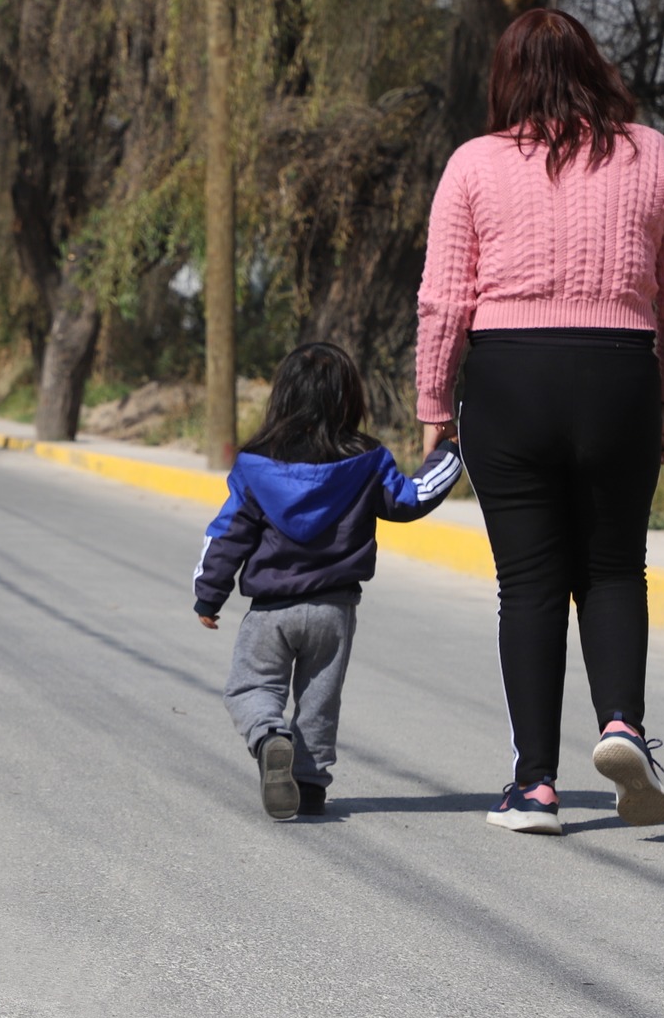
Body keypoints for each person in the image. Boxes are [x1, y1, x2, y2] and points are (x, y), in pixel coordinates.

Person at [416, 8, 664, 836]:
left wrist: (434, 407)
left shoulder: (473, 164)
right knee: (616, 566)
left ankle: (535, 787)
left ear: (507, 77)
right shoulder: (654, 155)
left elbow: (445, 299)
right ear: (594, 67)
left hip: (510, 380)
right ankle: (622, 726)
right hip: (621, 374)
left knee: (530, 584)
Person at [194, 343, 465, 820]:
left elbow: (227, 534)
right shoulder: (368, 459)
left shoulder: (255, 464)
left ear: (282, 397)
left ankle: (269, 738)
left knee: (250, 688)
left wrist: (208, 594)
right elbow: (410, 499)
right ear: (348, 399)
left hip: (271, 610)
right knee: (319, 702)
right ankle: (311, 785)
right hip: (334, 611)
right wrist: (449, 453)